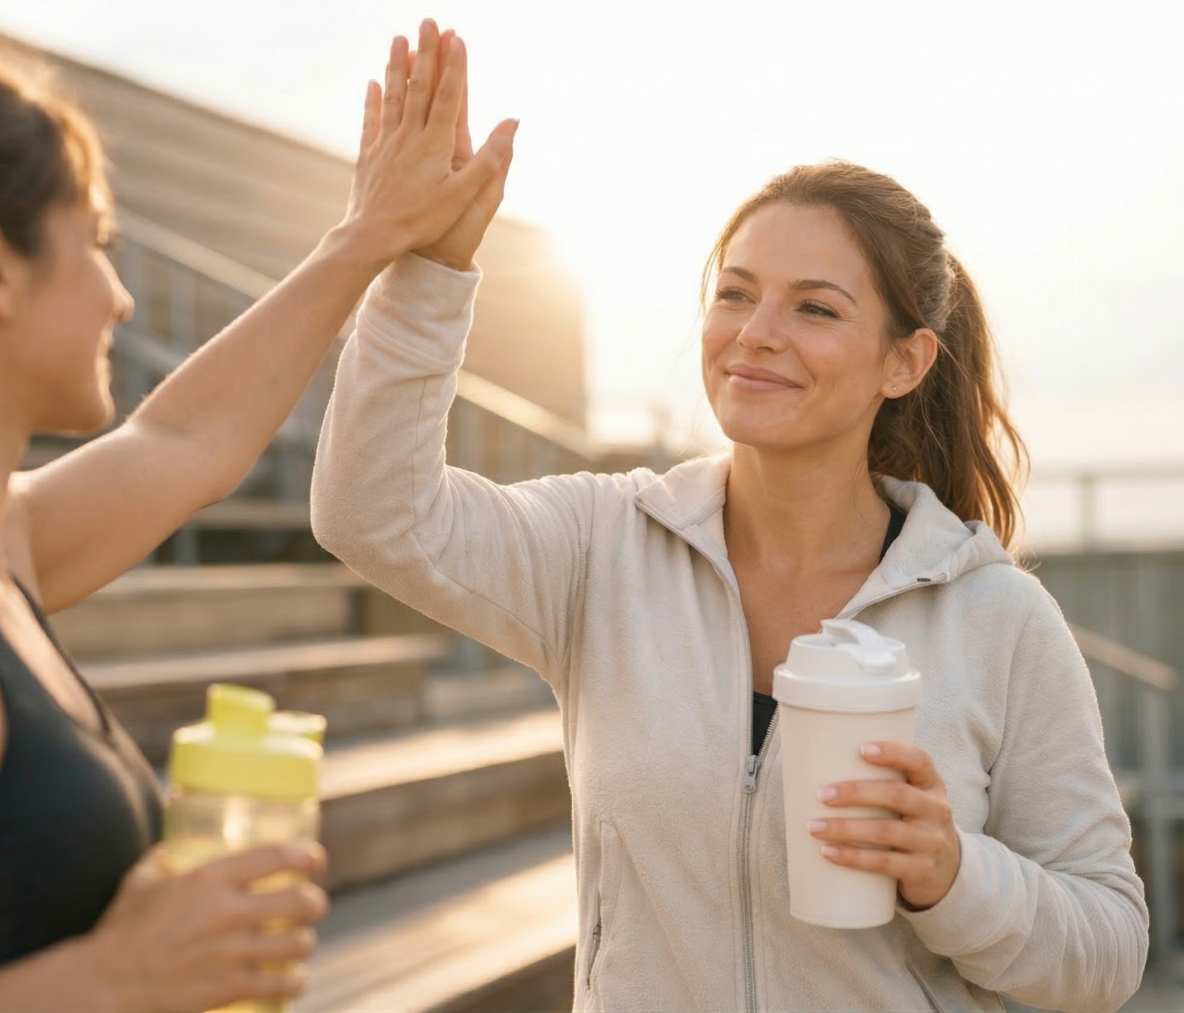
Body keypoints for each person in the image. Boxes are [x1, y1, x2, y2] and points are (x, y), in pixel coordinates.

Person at [0, 20, 515, 1012]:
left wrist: (366, 241)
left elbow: (179, 445)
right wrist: (115, 978)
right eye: (95, 242)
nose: (119, 298)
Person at [310, 160, 1148, 1010]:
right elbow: (372, 513)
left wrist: (955, 877)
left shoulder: (998, 618)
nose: (755, 332)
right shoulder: (604, 548)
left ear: (904, 361)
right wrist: (429, 269)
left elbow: (1108, 951)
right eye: (736, 294)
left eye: (814, 308)